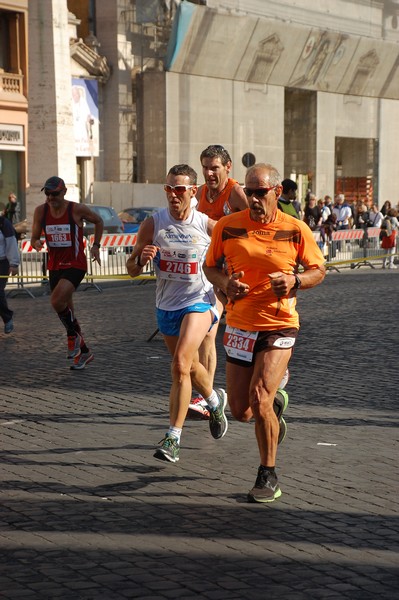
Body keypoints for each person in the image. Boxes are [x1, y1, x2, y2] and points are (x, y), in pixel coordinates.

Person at [204, 163, 326, 503]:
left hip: (279, 323)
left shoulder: (296, 229)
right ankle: (277, 403)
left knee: (259, 396)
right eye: (249, 191)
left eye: (261, 192)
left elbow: (319, 270)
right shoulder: (228, 227)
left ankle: (267, 474)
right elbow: (209, 267)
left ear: (277, 192)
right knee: (242, 411)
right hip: (240, 324)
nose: (254, 198)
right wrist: (227, 283)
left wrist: (295, 281)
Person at [126, 164, 228, 464]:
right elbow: (131, 270)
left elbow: (231, 257)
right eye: (168, 188)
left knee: (181, 364)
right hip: (167, 306)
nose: (173, 194)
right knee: (190, 366)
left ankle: (173, 437)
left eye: (179, 189)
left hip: (199, 302)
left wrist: (227, 285)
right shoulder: (153, 224)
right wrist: (141, 260)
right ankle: (214, 400)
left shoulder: (208, 225)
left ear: (192, 191)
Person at [190, 144, 249, 419]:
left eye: (214, 167)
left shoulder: (235, 193)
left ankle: (211, 396)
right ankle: (207, 396)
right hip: (206, 270)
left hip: (230, 271)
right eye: (205, 167)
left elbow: (256, 227)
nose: (209, 173)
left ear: (228, 167)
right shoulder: (201, 193)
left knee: (229, 328)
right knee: (208, 333)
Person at [30, 176, 103, 369]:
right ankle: (85, 352)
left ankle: (71, 336)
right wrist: (36, 243)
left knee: (56, 301)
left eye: (55, 193)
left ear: (64, 192)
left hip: (75, 264)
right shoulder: (41, 211)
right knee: (67, 311)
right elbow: (34, 238)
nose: (51, 197)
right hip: (54, 266)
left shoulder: (76, 209)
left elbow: (99, 221)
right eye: (47, 193)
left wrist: (96, 245)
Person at [0, 214, 19, 333]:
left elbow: (11, 242)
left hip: (2, 263)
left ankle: (7, 318)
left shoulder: (3, 223)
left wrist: (14, 264)